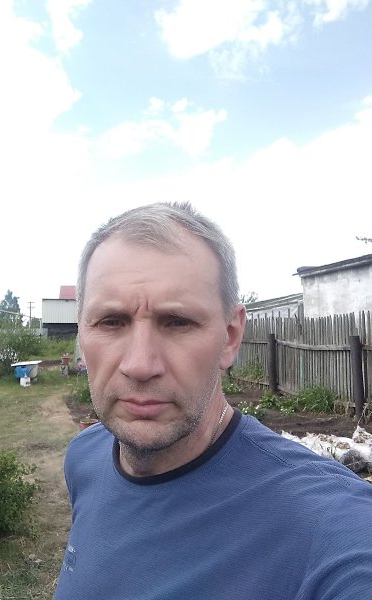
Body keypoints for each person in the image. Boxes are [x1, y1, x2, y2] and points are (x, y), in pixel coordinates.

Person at [54, 202, 372, 600]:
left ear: (230, 337)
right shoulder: (84, 458)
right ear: (82, 334)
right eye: (111, 322)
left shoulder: (330, 525)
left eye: (178, 322)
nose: (140, 365)